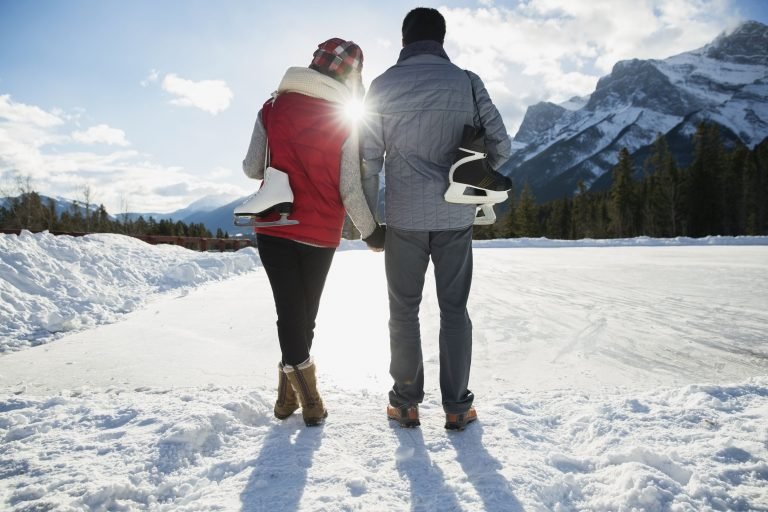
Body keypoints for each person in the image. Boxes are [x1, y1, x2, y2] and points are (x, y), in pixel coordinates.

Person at [362, 8, 512, 430]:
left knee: (403, 312)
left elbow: (369, 162)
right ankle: (457, 407)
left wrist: (371, 223)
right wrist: (474, 176)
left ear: (404, 40)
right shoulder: (467, 81)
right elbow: (502, 145)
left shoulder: (382, 85)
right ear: (441, 40)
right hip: (455, 213)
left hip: (404, 217)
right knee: (454, 310)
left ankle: (406, 403)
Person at [242, 38, 385, 427]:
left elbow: (253, 168)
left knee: (290, 313)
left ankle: (286, 398)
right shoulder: (343, 119)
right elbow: (350, 188)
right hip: (320, 232)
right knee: (304, 317)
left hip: (275, 224)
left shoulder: (272, 108)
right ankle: (311, 401)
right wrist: (372, 233)